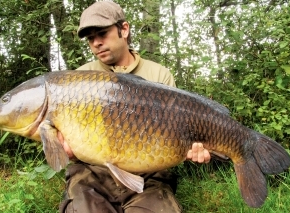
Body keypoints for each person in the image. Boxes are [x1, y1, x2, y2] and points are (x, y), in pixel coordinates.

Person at [59, 1, 211, 212]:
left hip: (148, 174)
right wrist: (67, 150)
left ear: (124, 29)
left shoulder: (158, 75)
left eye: (102, 34)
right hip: (94, 173)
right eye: (91, 39)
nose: (96, 43)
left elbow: (177, 134)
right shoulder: (79, 79)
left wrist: (194, 148)